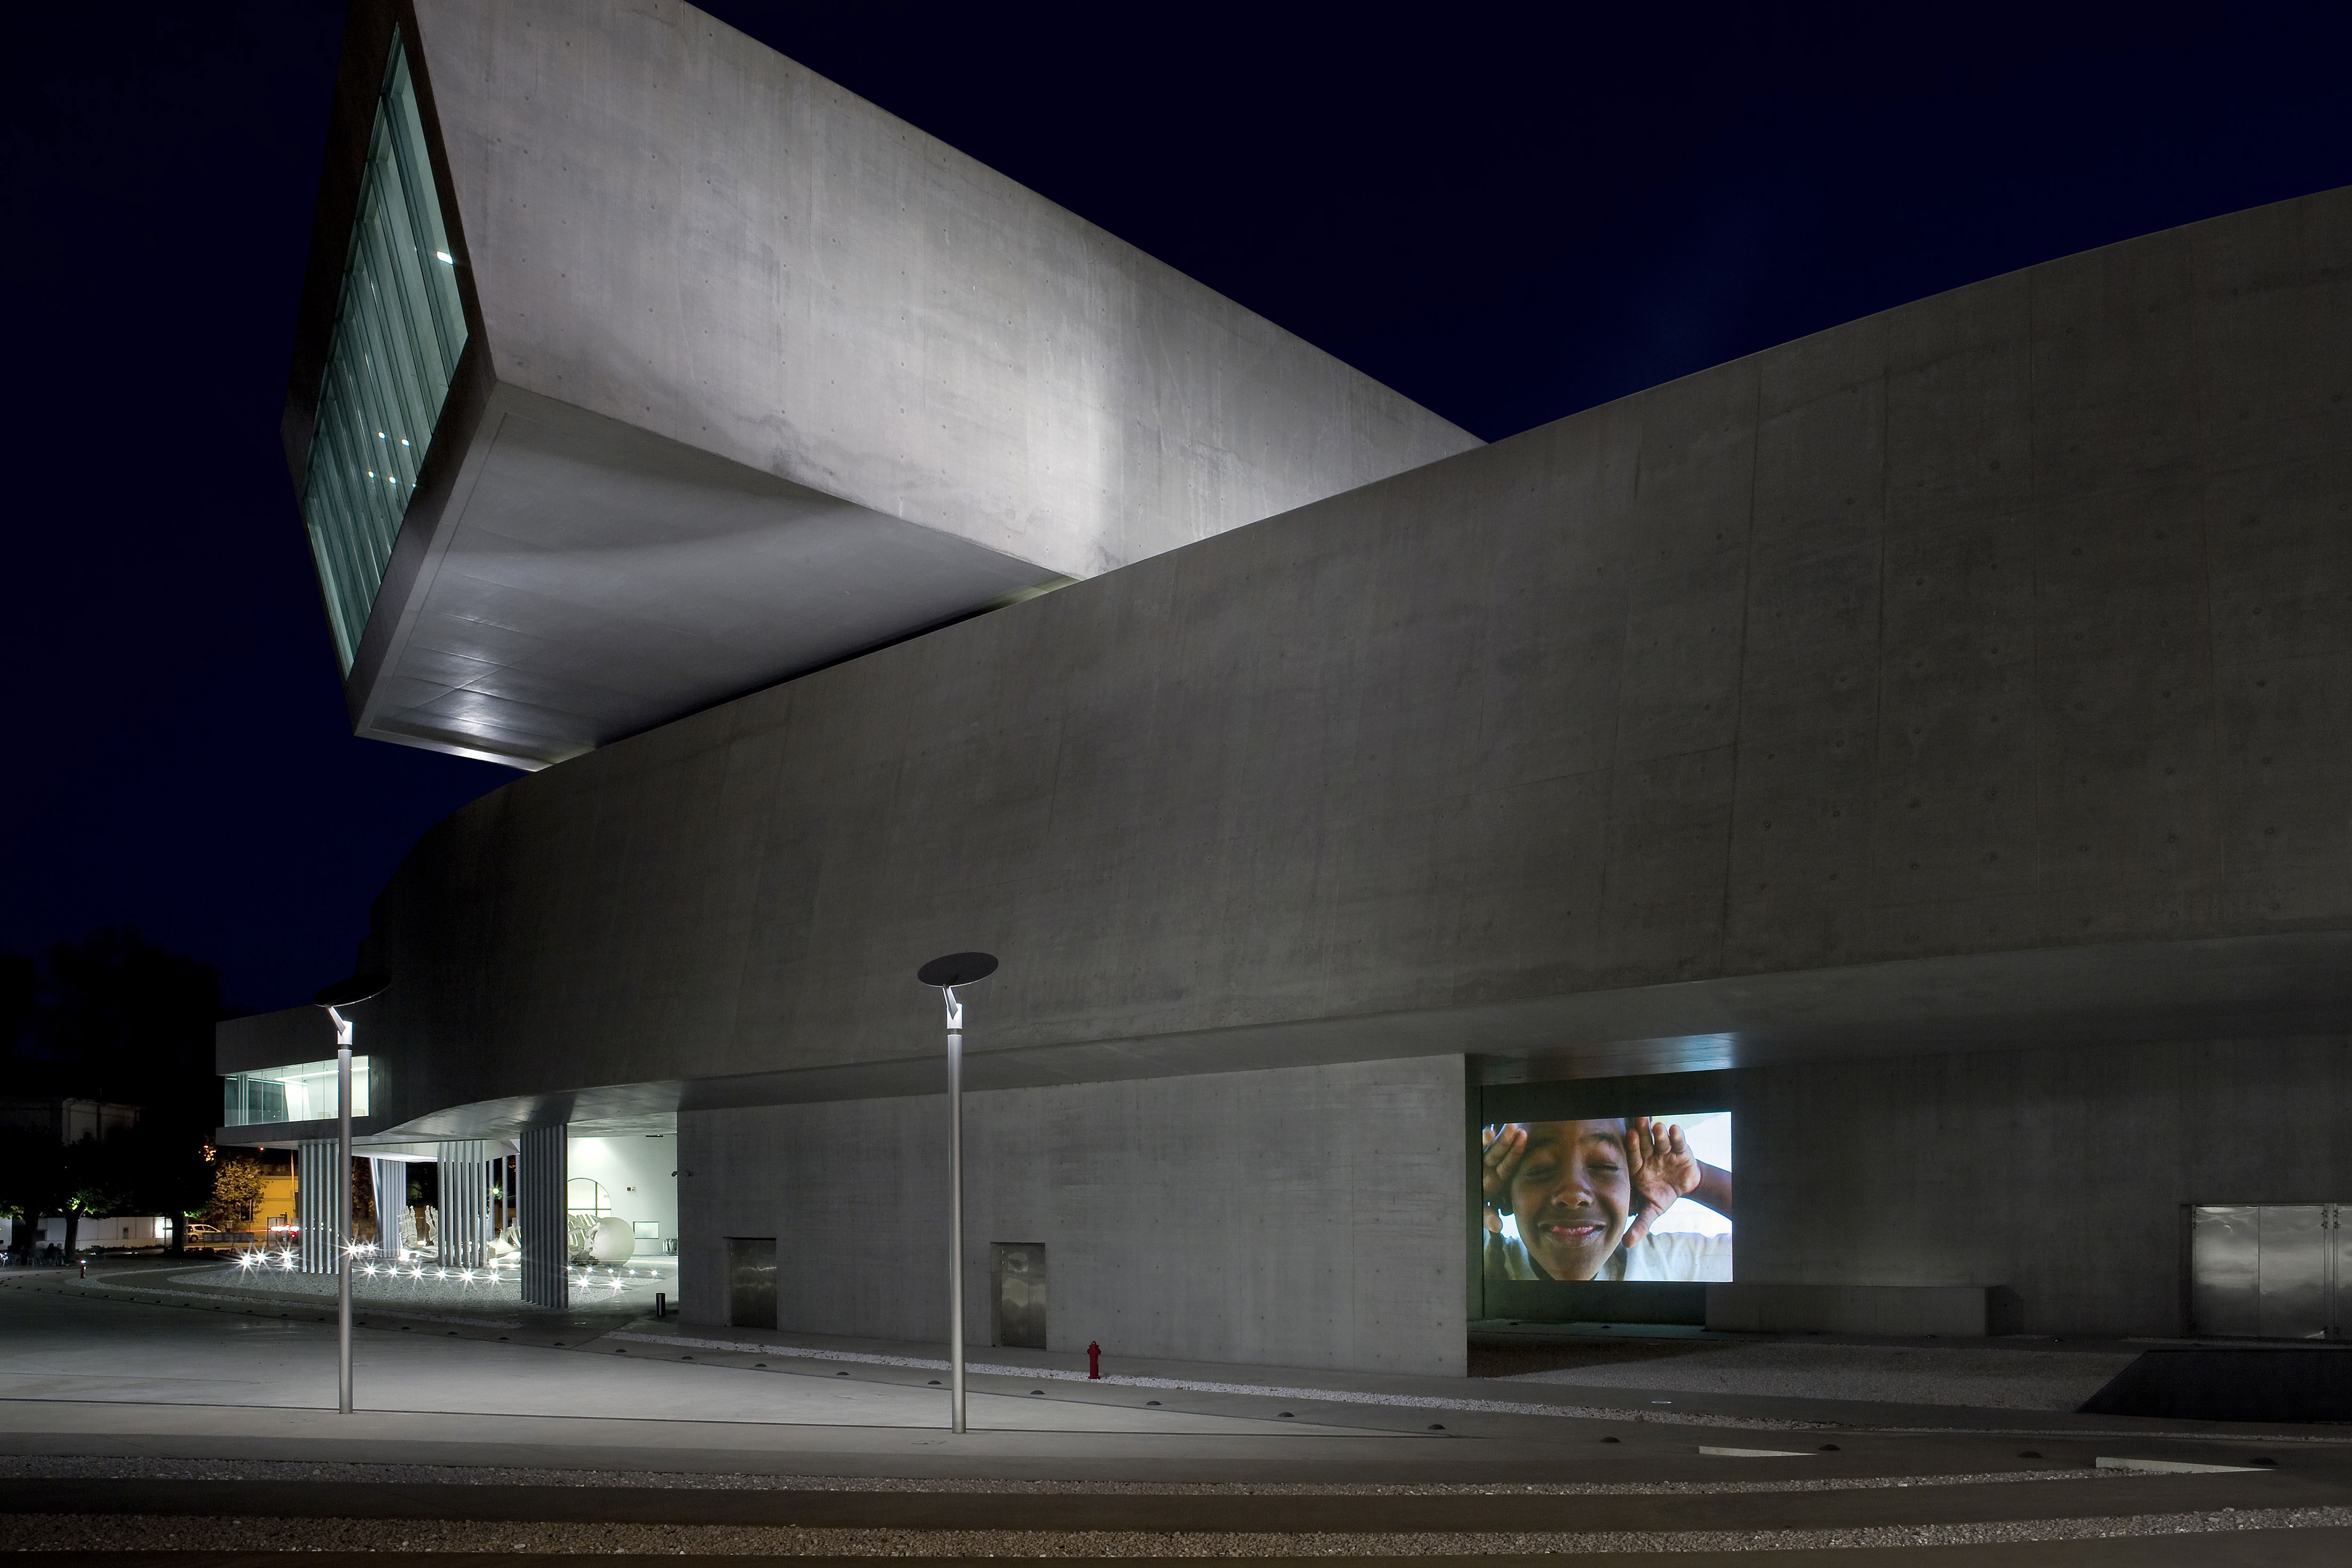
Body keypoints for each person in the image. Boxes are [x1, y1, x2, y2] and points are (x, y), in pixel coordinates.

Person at [1481, 1116, 1732, 1282]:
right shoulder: (1472, 1260)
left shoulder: (1669, 1266)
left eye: (1604, 1166)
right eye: (1540, 1168)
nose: (1573, 1195)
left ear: (1633, 1190)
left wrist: (1697, 1180)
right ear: (1506, 1192)